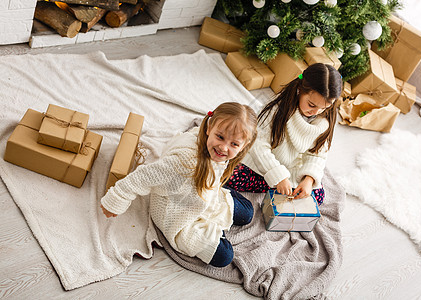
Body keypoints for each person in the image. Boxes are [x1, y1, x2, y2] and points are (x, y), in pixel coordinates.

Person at [100, 102, 258, 268]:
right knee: (224, 256)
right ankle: (211, 230)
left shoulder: (212, 147)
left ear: (243, 146)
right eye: (220, 137)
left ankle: (218, 213)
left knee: (248, 213)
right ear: (209, 127)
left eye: (234, 144)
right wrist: (116, 198)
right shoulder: (185, 163)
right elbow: (143, 176)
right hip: (177, 212)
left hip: (204, 195)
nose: (224, 147)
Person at [225, 63, 342, 205]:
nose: (316, 112)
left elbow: (318, 154)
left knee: (317, 195)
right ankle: (276, 184)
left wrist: (309, 179)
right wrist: (278, 176)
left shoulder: (326, 118)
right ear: (300, 90)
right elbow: (259, 145)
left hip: (293, 169)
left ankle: (279, 186)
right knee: (233, 175)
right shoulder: (276, 109)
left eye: (325, 107)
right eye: (311, 105)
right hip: (266, 163)